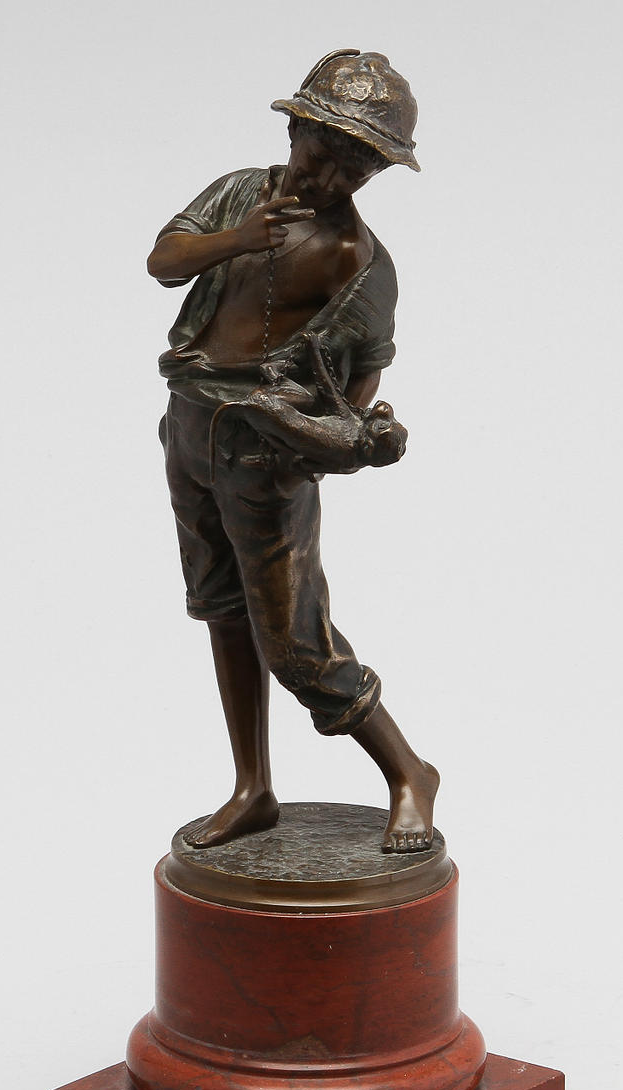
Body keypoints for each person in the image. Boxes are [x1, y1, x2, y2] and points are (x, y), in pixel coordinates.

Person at [147, 50, 438, 854]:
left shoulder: (357, 260)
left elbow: (362, 378)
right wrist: (236, 240)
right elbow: (163, 262)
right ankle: (253, 788)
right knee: (220, 608)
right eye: (322, 153)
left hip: (265, 456)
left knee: (296, 646)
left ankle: (410, 771)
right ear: (294, 131)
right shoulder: (241, 193)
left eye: (357, 168)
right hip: (191, 427)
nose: (332, 178)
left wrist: (321, 441)